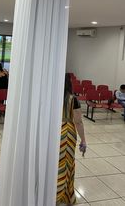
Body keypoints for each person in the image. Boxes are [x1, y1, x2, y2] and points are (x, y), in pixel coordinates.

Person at [57, 73, 86, 205]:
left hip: (53, 131)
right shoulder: (73, 99)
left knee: (55, 163)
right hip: (67, 133)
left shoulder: (52, 97)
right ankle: (63, 195)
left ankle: (52, 192)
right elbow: (78, 122)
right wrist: (83, 140)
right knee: (66, 164)